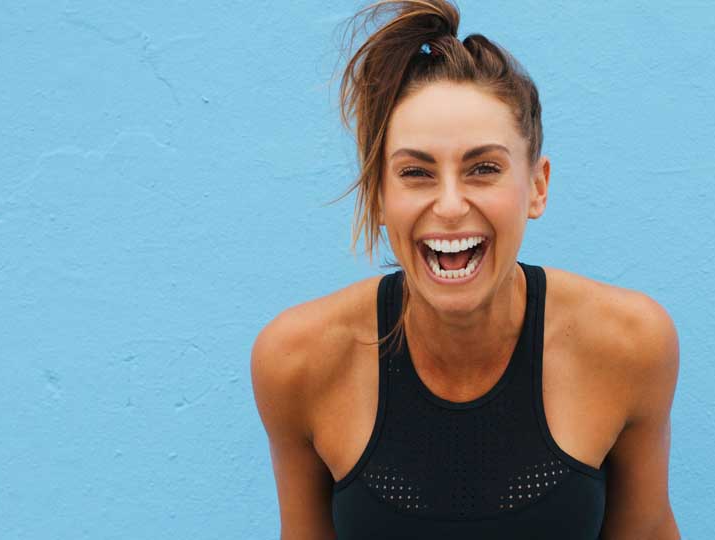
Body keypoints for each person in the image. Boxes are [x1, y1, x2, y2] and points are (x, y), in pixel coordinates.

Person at [251, 1, 680, 538]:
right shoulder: (298, 361)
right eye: (416, 172)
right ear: (379, 195)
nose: (450, 205)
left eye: (483, 169)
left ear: (537, 186)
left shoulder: (630, 343)